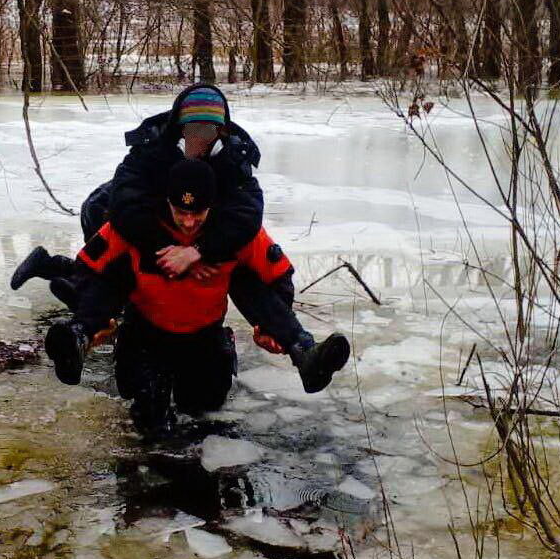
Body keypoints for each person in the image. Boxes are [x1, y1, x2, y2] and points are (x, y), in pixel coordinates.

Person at [11, 83, 337, 389]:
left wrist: (200, 250)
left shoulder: (234, 158)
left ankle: (302, 349)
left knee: (204, 394)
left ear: (221, 130)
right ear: (178, 127)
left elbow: (249, 217)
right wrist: (168, 249)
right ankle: (80, 333)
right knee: (116, 272)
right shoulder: (150, 151)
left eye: (209, 131)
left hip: (209, 264)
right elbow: (121, 211)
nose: (200, 139)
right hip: (139, 233)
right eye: (192, 130)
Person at [43, 159, 350, 437]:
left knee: (203, 413)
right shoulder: (138, 226)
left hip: (202, 336)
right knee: (150, 423)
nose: (189, 222)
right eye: (181, 212)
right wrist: (98, 319)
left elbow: (277, 275)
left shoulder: (234, 231)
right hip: (146, 335)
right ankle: (78, 336)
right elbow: (88, 266)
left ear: (213, 206)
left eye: (198, 213)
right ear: (167, 202)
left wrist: (270, 328)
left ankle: (303, 351)